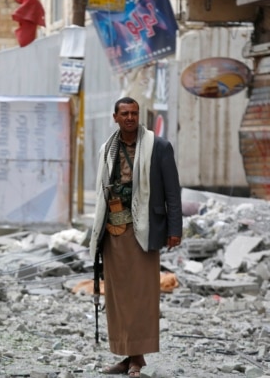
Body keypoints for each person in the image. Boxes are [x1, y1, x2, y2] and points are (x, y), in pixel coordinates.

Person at [89, 97, 182, 377]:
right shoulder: (108, 148)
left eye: (134, 113)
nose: (130, 118)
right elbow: (102, 193)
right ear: (115, 117)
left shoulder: (159, 147)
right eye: (124, 113)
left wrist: (175, 229)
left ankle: (137, 359)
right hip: (114, 230)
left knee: (141, 296)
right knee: (118, 297)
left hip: (145, 229)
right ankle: (126, 355)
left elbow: (172, 192)